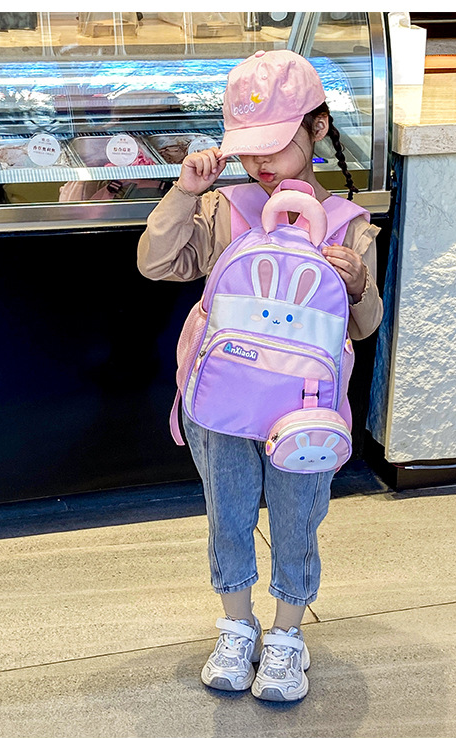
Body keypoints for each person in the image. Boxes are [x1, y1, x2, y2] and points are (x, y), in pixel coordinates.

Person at [137, 49, 383, 702]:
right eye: (249, 149)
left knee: (298, 518)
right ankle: (237, 626)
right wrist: (185, 193)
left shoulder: (349, 226)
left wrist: (358, 284)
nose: (261, 163)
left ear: (318, 127)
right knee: (229, 513)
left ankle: (287, 635)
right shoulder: (226, 207)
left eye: (274, 144)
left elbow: (363, 328)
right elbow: (157, 263)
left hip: (303, 411)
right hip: (223, 400)